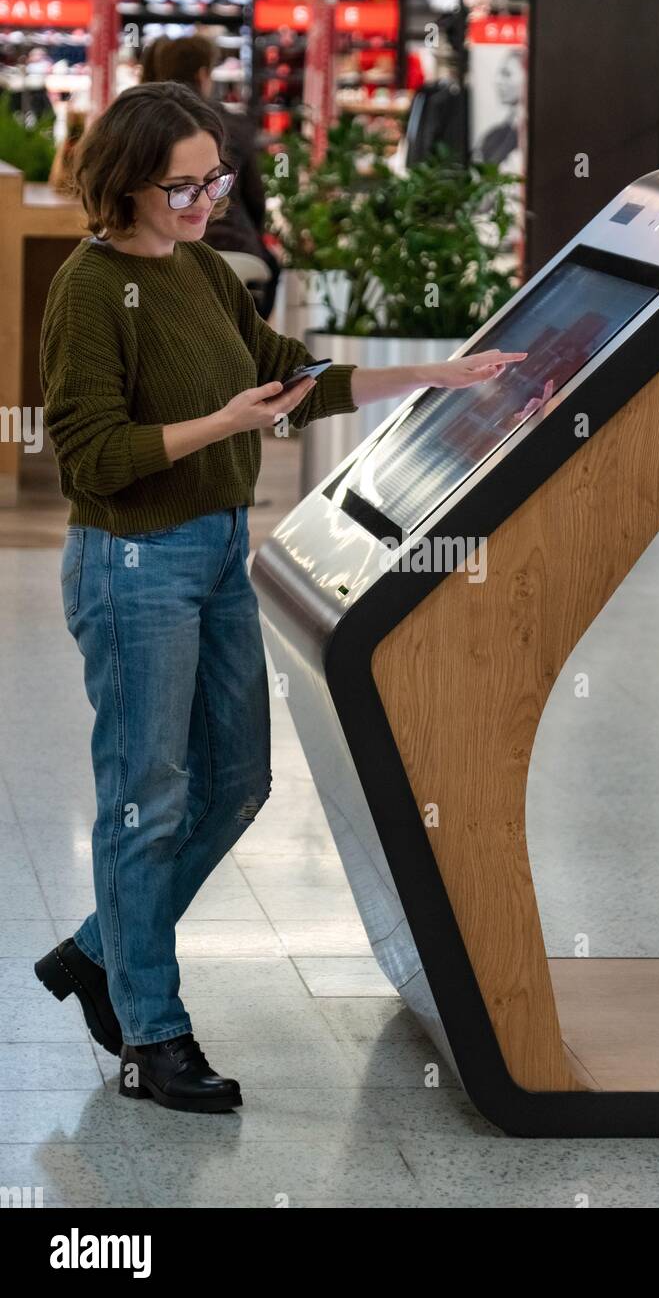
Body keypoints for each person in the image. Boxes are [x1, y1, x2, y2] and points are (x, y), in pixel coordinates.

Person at [33, 81, 524, 1114]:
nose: (208, 201)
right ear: (126, 182)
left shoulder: (204, 268)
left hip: (218, 550)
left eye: (215, 179)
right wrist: (225, 423)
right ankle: (151, 1033)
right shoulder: (88, 290)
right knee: (146, 795)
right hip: (133, 563)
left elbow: (291, 377)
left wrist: (434, 374)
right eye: (184, 186)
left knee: (239, 780)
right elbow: (91, 457)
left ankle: (96, 950)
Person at [147, 32, 282, 318]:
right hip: (238, 251)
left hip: (165, 254)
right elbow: (255, 200)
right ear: (203, 74)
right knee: (271, 268)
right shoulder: (232, 124)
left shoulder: (145, 125)